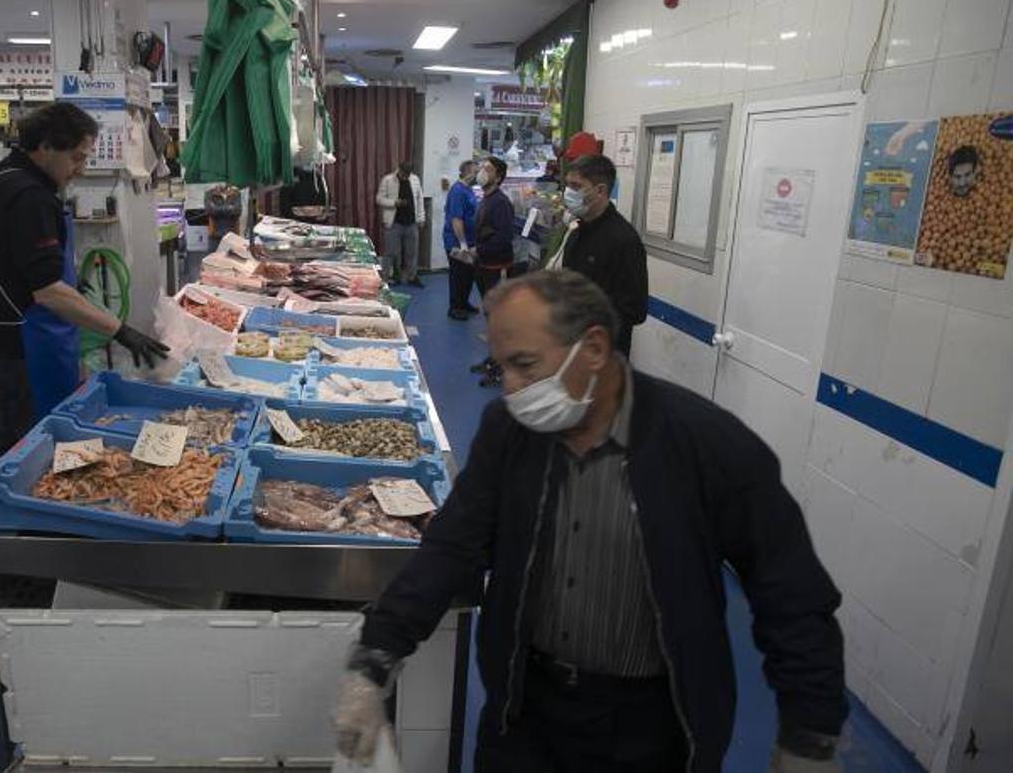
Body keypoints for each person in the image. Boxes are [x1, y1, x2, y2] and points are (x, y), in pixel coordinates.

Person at [333, 270, 846, 773]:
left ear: (595, 349)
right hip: (526, 707)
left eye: (525, 365)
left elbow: (791, 595)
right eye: (500, 367)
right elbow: (453, 545)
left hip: (653, 725)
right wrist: (378, 654)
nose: (509, 388)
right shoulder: (508, 432)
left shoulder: (705, 445)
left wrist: (810, 736)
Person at [0, 103, 169, 460]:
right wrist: (121, 330)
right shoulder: (29, 196)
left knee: (17, 430)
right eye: (76, 158)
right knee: (37, 443)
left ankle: (1, 498)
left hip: (9, 334)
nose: (80, 169)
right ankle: (22, 511)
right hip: (25, 339)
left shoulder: (2, 173)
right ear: (45, 146)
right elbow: (48, 292)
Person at [558, 153, 648, 355]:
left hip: (603, 354)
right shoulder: (577, 232)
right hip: (572, 345)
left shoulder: (623, 240)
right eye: (568, 185)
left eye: (576, 186)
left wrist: (587, 312)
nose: (568, 192)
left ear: (600, 191)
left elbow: (635, 309)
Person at [470, 156, 514, 386]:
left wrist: (480, 249)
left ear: (498, 176)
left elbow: (505, 238)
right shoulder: (486, 199)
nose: (482, 172)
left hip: (497, 268)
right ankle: (492, 359)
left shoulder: (501, 203)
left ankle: (500, 367)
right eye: (482, 167)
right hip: (484, 266)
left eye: (488, 169)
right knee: (489, 317)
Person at [376, 161, 426, 287]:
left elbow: (420, 199)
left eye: (408, 174)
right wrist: (394, 202)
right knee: (390, 253)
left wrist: (421, 218)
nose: (406, 177)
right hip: (394, 223)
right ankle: (386, 278)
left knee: (412, 252)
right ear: (399, 170)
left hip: (411, 223)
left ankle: (412, 277)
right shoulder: (387, 180)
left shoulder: (415, 180)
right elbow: (379, 199)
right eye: (404, 174)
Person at [444, 159, 480, 320]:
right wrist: (463, 243)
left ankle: (464, 302)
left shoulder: (468, 190)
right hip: (456, 241)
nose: (478, 175)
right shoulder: (457, 191)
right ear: (467, 173)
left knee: (468, 274)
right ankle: (455, 307)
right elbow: (456, 220)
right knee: (458, 274)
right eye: (476, 172)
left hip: (470, 239)